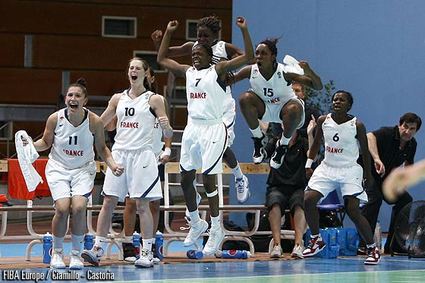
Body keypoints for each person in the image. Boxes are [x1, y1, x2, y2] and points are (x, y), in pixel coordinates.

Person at [157, 17, 253, 255]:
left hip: (214, 126)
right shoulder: (188, 72)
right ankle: (196, 222)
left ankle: (216, 227)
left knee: (209, 179)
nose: (195, 54)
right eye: (194, 53)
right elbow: (161, 59)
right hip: (192, 128)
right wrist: (169, 32)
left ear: (210, 56)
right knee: (185, 179)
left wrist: (244, 29)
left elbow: (249, 57)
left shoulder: (218, 69)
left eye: (200, 52)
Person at [81, 57, 173, 268]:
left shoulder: (154, 99)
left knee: (142, 204)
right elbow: (101, 123)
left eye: (138, 68)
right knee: (109, 201)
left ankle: (147, 253)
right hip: (120, 153)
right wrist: (80, 119)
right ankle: (98, 249)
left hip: (142, 155)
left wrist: (166, 126)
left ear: (146, 74)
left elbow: (167, 132)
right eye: (130, 67)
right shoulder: (117, 99)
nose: (133, 70)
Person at [28, 78, 123, 269]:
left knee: (79, 207)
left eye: (77, 95)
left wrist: (112, 165)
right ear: (66, 100)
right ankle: (57, 253)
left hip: (82, 169)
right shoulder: (55, 119)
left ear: (84, 100)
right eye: (70, 95)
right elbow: (45, 143)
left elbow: (102, 148)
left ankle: (76, 255)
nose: (73, 98)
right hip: (58, 168)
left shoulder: (94, 121)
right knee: (62, 208)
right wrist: (29, 144)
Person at [302, 90, 381, 265]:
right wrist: (308, 165)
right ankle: (316, 239)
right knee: (308, 199)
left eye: (342, 100)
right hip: (327, 167)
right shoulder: (324, 120)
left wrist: (368, 175)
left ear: (349, 105)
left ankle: (372, 248)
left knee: (352, 209)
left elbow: (365, 152)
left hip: (350, 169)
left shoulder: (357, 125)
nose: (337, 102)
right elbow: (315, 145)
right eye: (335, 99)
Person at [235, 38, 323, 169]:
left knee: (294, 107)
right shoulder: (250, 70)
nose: (259, 56)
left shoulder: (285, 72)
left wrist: (308, 70)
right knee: (244, 98)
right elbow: (228, 80)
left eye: (263, 53)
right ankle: (258, 140)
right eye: (257, 53)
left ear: (273, 56)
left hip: (285, 111)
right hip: (265, 110)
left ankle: (282, 146)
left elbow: (318, 86)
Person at [117, 66, 173, 263]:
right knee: (132, 201)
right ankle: (127, 245)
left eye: (143, 71)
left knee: (154, 203)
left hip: (155, 156)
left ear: (150, 76)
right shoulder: (131, 101)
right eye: (132, 69)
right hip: (139, 155)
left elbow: (166, 127)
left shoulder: (158, 100)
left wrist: (167, 149)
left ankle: (148, 246)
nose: (137, 73)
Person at [360, 112, 421, 254]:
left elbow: (408, 165)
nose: (407, 131)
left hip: (384, 179)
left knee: (405, 199)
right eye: (405, 127)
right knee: (375, 199)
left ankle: (394, 244)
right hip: (367, 174)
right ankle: (364, 244)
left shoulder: (412, 144)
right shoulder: (387, 133)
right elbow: (369, 137)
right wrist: (376, 159)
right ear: (400, 125)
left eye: (412, 129)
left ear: (416, 131)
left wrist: (404, 182)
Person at [267, 118, 315, 259]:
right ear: (282, 125)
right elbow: (263, 154)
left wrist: (311, 134)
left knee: (300, 204)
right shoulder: (275, 142)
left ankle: (299, 245)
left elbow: (311, 155)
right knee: (274, 203)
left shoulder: (303, 142)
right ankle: (277, 245)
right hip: (277, 186)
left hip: (297, 187)